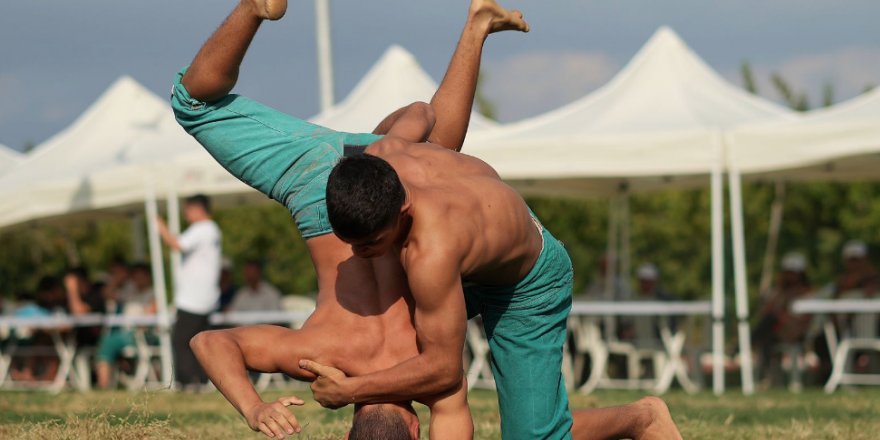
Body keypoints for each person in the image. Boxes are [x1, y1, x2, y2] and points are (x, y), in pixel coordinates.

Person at [174, 1, 680, 438]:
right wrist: (257, 406)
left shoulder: (421, 323)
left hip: (418, 227)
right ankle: (473, 28)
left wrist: (274, 404)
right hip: (339, 185)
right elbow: (212, 343)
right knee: (195, 103)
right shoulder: (326, 352)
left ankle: (642, 419)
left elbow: (442, 381)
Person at [156, 194, 222, 389]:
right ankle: (200, 380)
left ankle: (187, 382)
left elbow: (177, 244)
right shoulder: (212, 230)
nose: (186, 215)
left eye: (188, 210)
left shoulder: (202, 229)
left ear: (198, 209)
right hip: (204, 297)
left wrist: (160, 226)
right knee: (201, 342)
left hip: (194, 299)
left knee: (182, 341)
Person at [94, 263, 158, 389]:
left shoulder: (154, 294)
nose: (138, 279)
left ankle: (104, 385)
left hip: (143, 334)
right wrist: (117, 279)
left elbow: (149, 317)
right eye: (135, 276)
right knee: (106, 341)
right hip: (126, 333)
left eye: (141, 276)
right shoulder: (129, 291)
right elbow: (106, 294)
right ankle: (104, 384)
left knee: (108, 341)